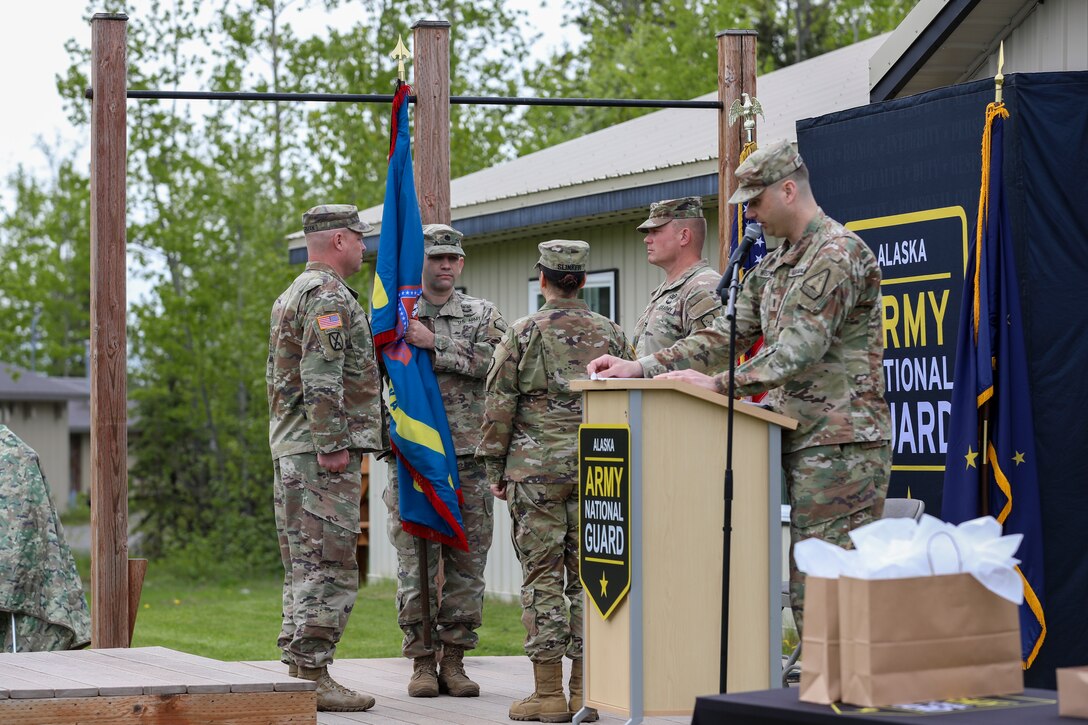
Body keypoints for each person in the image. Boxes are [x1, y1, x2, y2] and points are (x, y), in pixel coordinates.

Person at [587, 140, 892, 636]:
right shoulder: (774, 264)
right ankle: (823, 693)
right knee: (807, 583)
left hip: (842, 443)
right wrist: (640, 367)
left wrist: (719, 384)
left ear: (788, 190)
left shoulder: (837, 254)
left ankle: (850, 701)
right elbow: (726, 334)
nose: (749, 213)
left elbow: (800, 349)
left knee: (834, 583)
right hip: (795, 436)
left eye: (755, 201)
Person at [477, 240, 631, 723]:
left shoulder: (522, 333)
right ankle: (587, 688)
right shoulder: (615, 335)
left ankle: (547, 696)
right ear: (581, 280)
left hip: (535, 473)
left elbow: (498, 406)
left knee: (542, 579)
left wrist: (493, 471)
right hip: (600, 469)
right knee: (593, 577)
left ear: (542, 278)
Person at [266, 204, 386, 712]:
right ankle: (314, 676)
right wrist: (334, 444)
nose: (364, 246)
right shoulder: (328, 297)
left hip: (296, 448)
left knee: (303, 562)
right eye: (359, 238)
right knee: (328, 563)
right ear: (339, 240)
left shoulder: (296, 291)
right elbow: (321, 375)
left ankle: (300, 671)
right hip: (318, 454)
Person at [382, 223, 507, 698]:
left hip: (469, 459)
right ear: (422, 263)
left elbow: (497, 364)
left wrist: (434, 344)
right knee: (415, 564)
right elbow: (378, 377)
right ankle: (419, 660)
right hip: (415, 460)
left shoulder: (481, 313)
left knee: (467, 563)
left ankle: (454, 660)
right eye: (438, 258)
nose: (448, 266)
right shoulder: (394, 317)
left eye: (454, 258)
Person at [632, 196, 723, 356]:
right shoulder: (669, 290)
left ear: (684, 236)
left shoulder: (705, 288)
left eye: (655, 231)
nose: (647, 239)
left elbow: (711, 361)